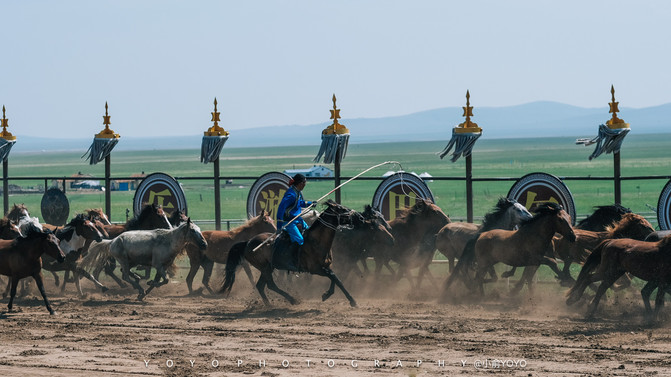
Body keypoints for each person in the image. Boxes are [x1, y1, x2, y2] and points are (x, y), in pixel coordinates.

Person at [276, 173, 314, 248]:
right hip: (289, 222)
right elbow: (281, 208)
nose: (305, 185)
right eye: (304, 183)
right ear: (300, 183)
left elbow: (299, 203)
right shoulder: (291, 195)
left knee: (309, 232)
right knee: (300, 241)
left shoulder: (296, 192)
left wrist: (311, 203)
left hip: (297, 219)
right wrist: (279, 226)